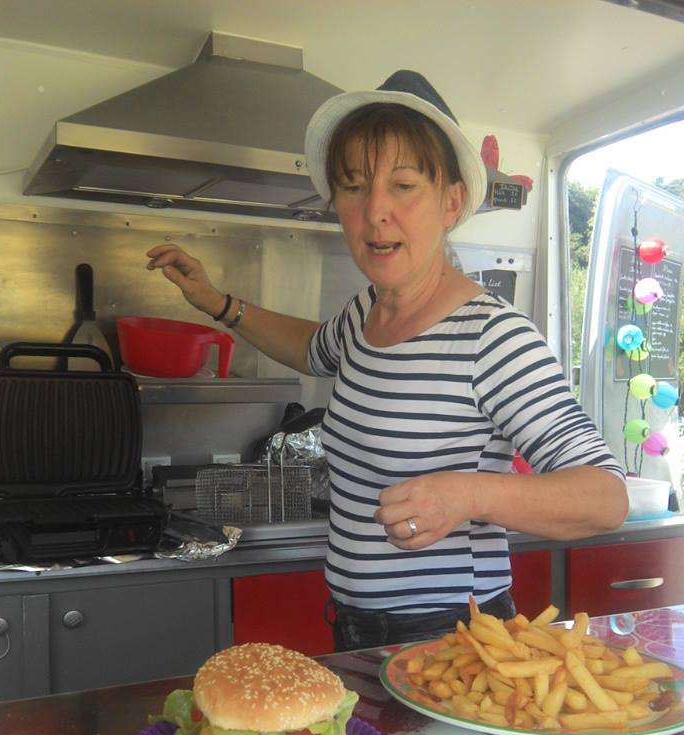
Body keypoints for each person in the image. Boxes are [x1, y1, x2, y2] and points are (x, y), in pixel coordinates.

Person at [145, 69, 628, 651]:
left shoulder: (492, 338)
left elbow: (606, 496)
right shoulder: (367, 313)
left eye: (403, 186)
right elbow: (310, 346)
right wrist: (217, 303)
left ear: (450, 202)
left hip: (454, 636)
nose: (375, 210)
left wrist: (468, 495)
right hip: (356, 623)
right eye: (353, 186)